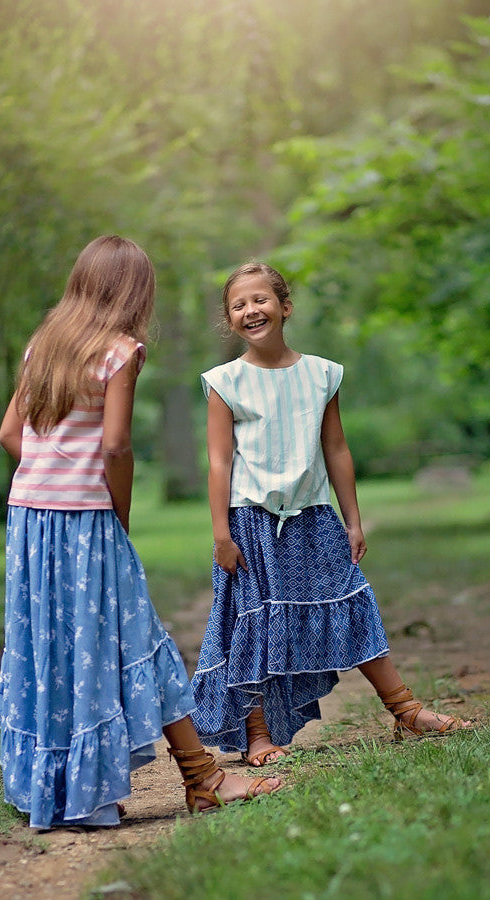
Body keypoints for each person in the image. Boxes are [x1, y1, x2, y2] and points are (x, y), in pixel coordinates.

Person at [0, 236, 280, 830]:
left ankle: (60, 787)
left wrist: (48, 473)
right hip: (86, 520)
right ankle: (203, 780)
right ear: (134, 291)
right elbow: (117, 445)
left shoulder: (42, 345)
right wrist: (114, 513)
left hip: (28, 520)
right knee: (136, 636)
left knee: (51, 649)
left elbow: (9, 436)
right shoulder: (121, 350)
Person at [190, 261, 470, 766]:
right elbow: (219, 460)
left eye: (261, 300)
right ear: (228, 319)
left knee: (352, 605)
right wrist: (220, 533)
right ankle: (258, 734)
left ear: (285, 307)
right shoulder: (224, 382)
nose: (251, 310)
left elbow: (336, 449)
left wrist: (354, 519)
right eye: (238, 305)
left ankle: (406, 710)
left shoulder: (322, 374)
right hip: (250, 523)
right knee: (255, 623)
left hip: (315, 518)